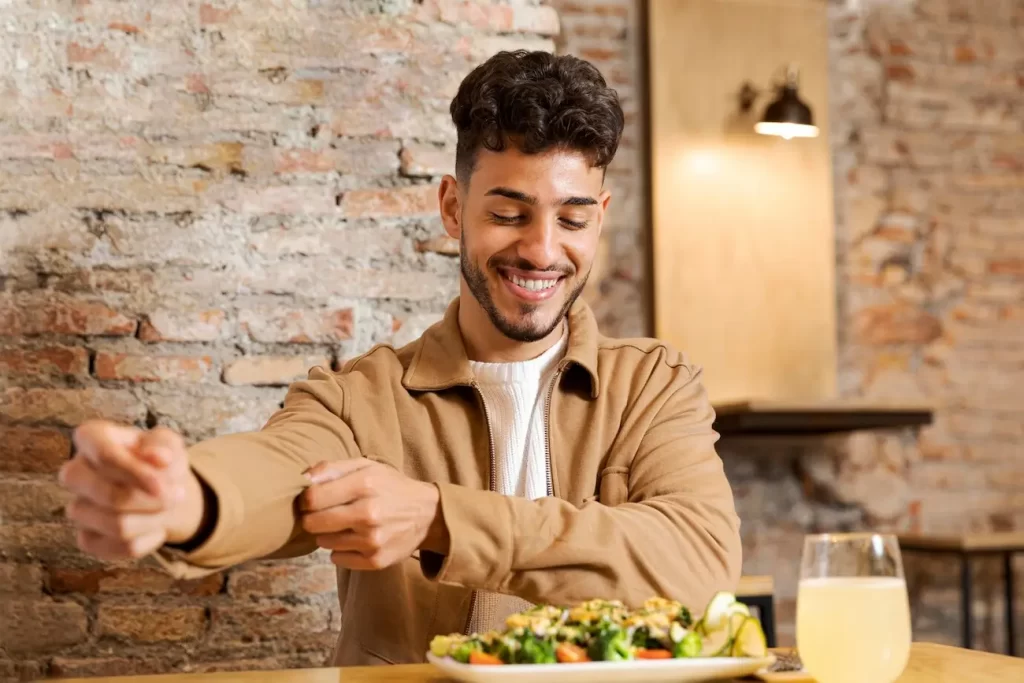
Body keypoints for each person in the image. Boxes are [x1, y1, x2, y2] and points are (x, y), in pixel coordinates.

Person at [59, 50, 741, 666]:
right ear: (452, 206)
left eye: (571, 217)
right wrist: (185, 500)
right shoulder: (360, 398)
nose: (540, 249)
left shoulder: (654, 385)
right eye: (508, 213)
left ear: (601, 214)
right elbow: (272, 476)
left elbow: (700, 562)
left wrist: (441, 517)